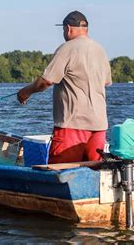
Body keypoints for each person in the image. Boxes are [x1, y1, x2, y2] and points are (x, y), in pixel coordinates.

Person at [17, 11, 112, 163]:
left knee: (63, 171)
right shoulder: (100, 50)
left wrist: (25, 92)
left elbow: (46, 82)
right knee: (95, 172)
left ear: (68, 28)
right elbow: (106, 82)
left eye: (63, 30)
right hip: (99, 125)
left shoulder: (67, 48)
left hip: (73, 125)